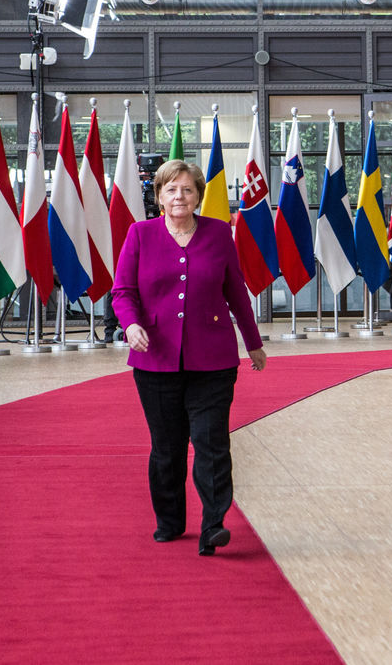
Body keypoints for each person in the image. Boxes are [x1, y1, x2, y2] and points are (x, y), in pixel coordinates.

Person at [111, 159, 266, 555]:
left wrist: (253, 342)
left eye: (187, 190)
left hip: (213, 360)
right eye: (171, 190)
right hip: (155, 360)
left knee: (211, 443)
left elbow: (235, 290)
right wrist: (131, 325)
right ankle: (169, 520)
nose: (179, 196)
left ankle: (214, 524)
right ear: (160, 197)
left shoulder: (219, 233)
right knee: (168, 448)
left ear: (198, 196)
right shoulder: (140, 234)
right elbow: (123, 292)